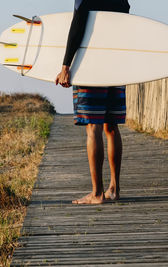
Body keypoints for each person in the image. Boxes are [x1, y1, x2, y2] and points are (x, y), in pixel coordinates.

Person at [55, 0, 130, 204]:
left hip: (91, 65)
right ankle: (114, 189)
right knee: (111, 127)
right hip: (115, 64)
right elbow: (125, 21)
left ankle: (97, 193)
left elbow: (78, 23)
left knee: (92, 127)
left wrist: (65, 65)